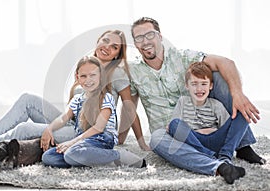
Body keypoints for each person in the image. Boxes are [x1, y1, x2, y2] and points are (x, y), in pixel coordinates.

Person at [0, 29, 149, 161]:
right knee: (27, 99)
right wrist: (52, 127)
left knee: (25, 129)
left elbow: (129, 107)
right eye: (106, 41)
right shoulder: (86, 66)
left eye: (114, 47)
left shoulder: (116, 73)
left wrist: (139, 141)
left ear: (118, 53)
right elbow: (72, 108)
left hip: (85, 130)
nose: (108, 47)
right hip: (70, 120)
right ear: (98, 41)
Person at [126, 17, 265, 182]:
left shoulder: (182, 57)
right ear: (135, 43)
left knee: (218, 77)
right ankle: (218, 166)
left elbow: (226, 62)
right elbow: (129, 107)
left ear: (160, 36)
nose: (145, 41)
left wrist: (237, 94)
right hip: (173, 137)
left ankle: (242, 146)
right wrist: (124, 140)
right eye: (139, 38)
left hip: (207, 128)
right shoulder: (132, 70)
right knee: (156, 138)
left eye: (150, 35)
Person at [42, 56, 145, 168]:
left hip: (102, 139)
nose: (88, 80)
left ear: (101, 77)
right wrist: (49, 128)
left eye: (93, 75)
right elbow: (64, 118)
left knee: (71, 153)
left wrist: (72, 142)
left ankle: (118, 155)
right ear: (77, 78)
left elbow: (99, 128)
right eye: (83, 76)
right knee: (48, 157)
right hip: (83, 141)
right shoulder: (77, 99)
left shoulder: (106, 97)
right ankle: (94, 160)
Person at [167, 61, 262, 183]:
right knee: (175, 124)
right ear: (187, 86)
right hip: (195, 142)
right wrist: (196, 131)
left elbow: (228, 129)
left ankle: (225, 155)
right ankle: (209, 156)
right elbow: (173, 126)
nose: (199, 89)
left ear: (210, 86)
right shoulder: (182, 102)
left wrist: (214, 132)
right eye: (194, 84)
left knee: (243, 113)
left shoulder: (216, 105)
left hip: (216, 140)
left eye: (204, 84)